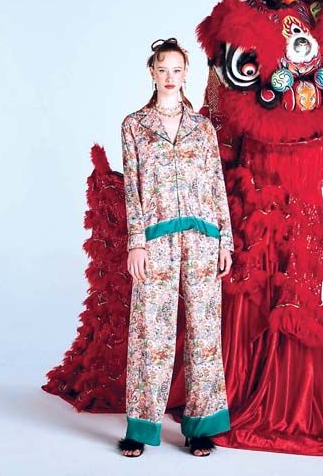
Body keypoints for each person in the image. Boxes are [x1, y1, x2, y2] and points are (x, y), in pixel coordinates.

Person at [117, 38, 234, 458]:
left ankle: (201, 427)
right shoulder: (134, 125)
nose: (170, 77)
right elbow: (132, 189)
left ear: (186, 75)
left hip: (203, 236)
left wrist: (225, 240)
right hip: (155, 238)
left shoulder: (202, 128)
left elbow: (216, 184)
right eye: (163, 69)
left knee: (204, 332)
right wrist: (136, 243)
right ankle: (141, 426)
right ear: (152, 73)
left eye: (177, 70)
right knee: (151, 330)